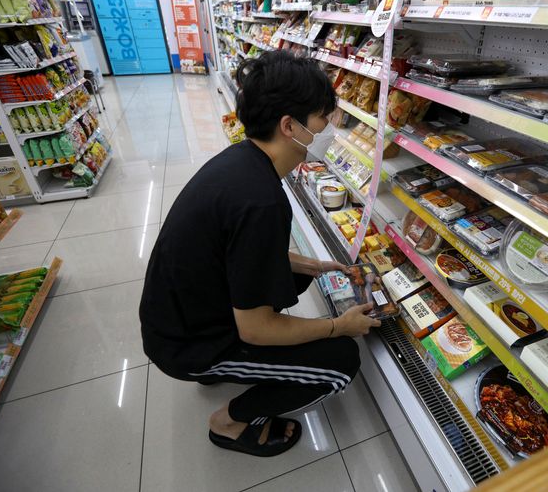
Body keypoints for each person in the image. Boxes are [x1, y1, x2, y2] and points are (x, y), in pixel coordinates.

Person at [139, 50, 381, 458]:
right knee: (340, 362)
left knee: (298, 274)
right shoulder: (261, 203)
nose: (330, 129)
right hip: (185, 346)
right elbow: (256, 329)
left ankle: (223, 368)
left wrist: (314, 265)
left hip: (175, 317)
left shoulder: (240, 161)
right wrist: (337, 326)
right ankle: (230, 421)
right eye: (324, 119)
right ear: (290, 126)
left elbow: (233, 253)